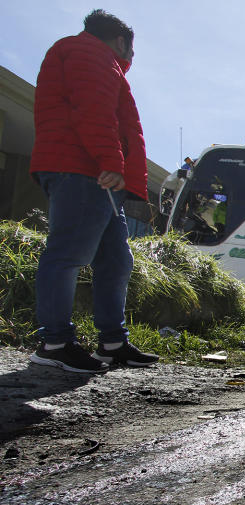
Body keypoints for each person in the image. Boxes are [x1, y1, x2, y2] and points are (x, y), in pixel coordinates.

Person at [29, 10, 158, 373]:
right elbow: (95, 109)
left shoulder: (88, 55)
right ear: (121, 42)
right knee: (68, 253)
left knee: (116, 260)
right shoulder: (90, 53)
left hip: (93, 175)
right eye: (132, 51)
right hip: (84, 170)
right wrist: (111, 161)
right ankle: (55, 342)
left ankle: (113, 343)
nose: (132, 59)